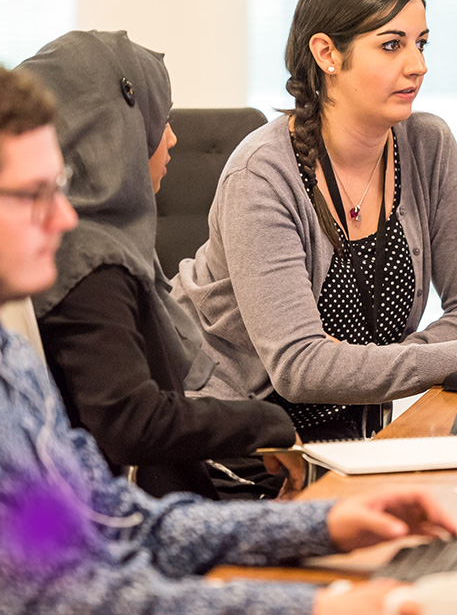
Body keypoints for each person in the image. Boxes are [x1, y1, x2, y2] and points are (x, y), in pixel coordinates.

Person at [0, 48, 454, 615]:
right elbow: (77, 601)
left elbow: (114, 520)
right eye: (32, 195)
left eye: (58, 187)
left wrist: (320, 522)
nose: (62, 218)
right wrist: (314, 604)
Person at [172, 0, 457, 440]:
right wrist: (454, 356)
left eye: (420, 44)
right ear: (327, 54)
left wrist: (379, 366)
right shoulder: (263, 174)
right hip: (241, 443)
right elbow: (299, 367)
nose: (418, 66)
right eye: (391, 45)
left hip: (354, 436)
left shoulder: (427, 145)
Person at [21, 30, 302, 500]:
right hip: (143, 519)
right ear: (114, 130)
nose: (172, 138)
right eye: (160, 119)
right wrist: (264, 423)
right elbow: (130, 422)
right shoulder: (90, 263)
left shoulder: (80, 243)